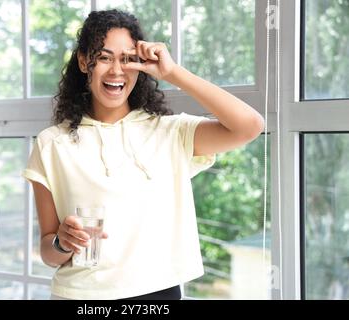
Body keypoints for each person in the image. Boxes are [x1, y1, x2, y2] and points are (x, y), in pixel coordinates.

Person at [22, 9, 264, 300]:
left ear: (141, 65)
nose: (116, 70)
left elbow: (250, 126)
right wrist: (62, 242)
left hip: (158, 294)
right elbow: (50, 253)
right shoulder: (52, 144)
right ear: (85, 61)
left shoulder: (170, 132)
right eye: (104, 57)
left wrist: (173, 72)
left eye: (127, 58)